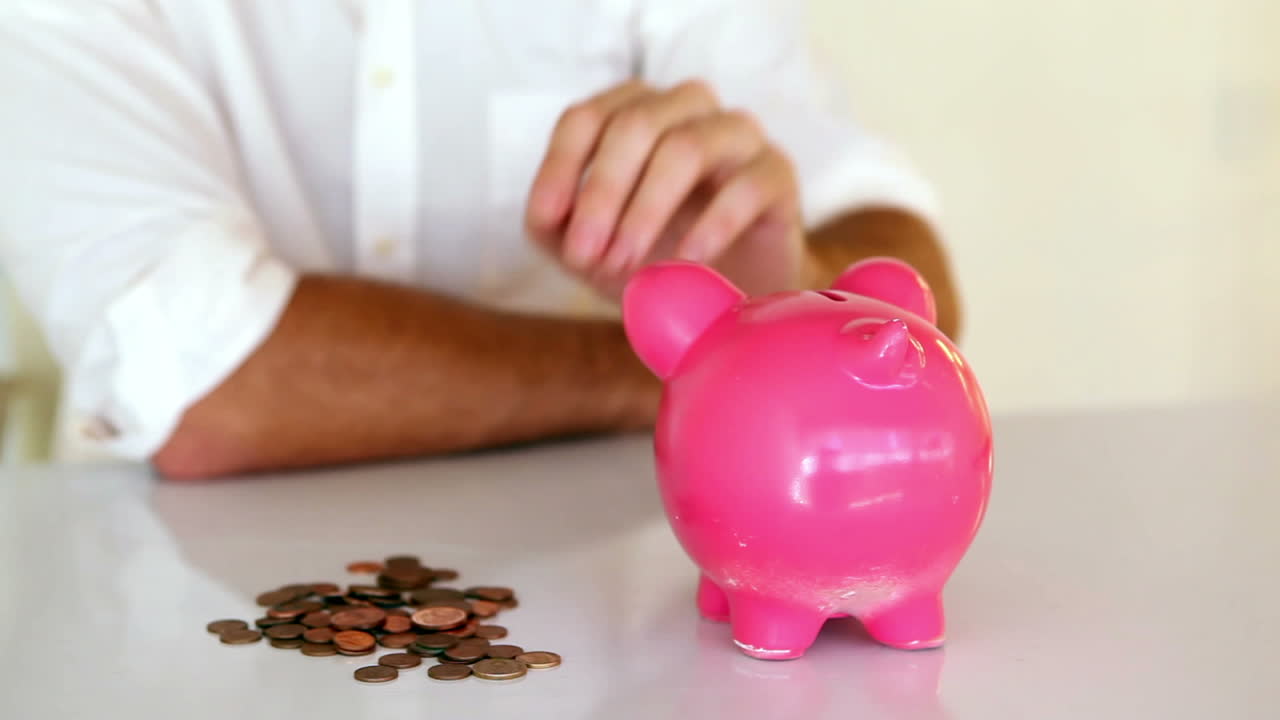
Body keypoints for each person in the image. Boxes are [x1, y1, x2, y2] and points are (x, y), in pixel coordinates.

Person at [0, 1, 959, 479]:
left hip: (606, 597)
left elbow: (915, 311)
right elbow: (209, 390)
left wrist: (786, 279)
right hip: (159, 612)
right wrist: (724, 369)